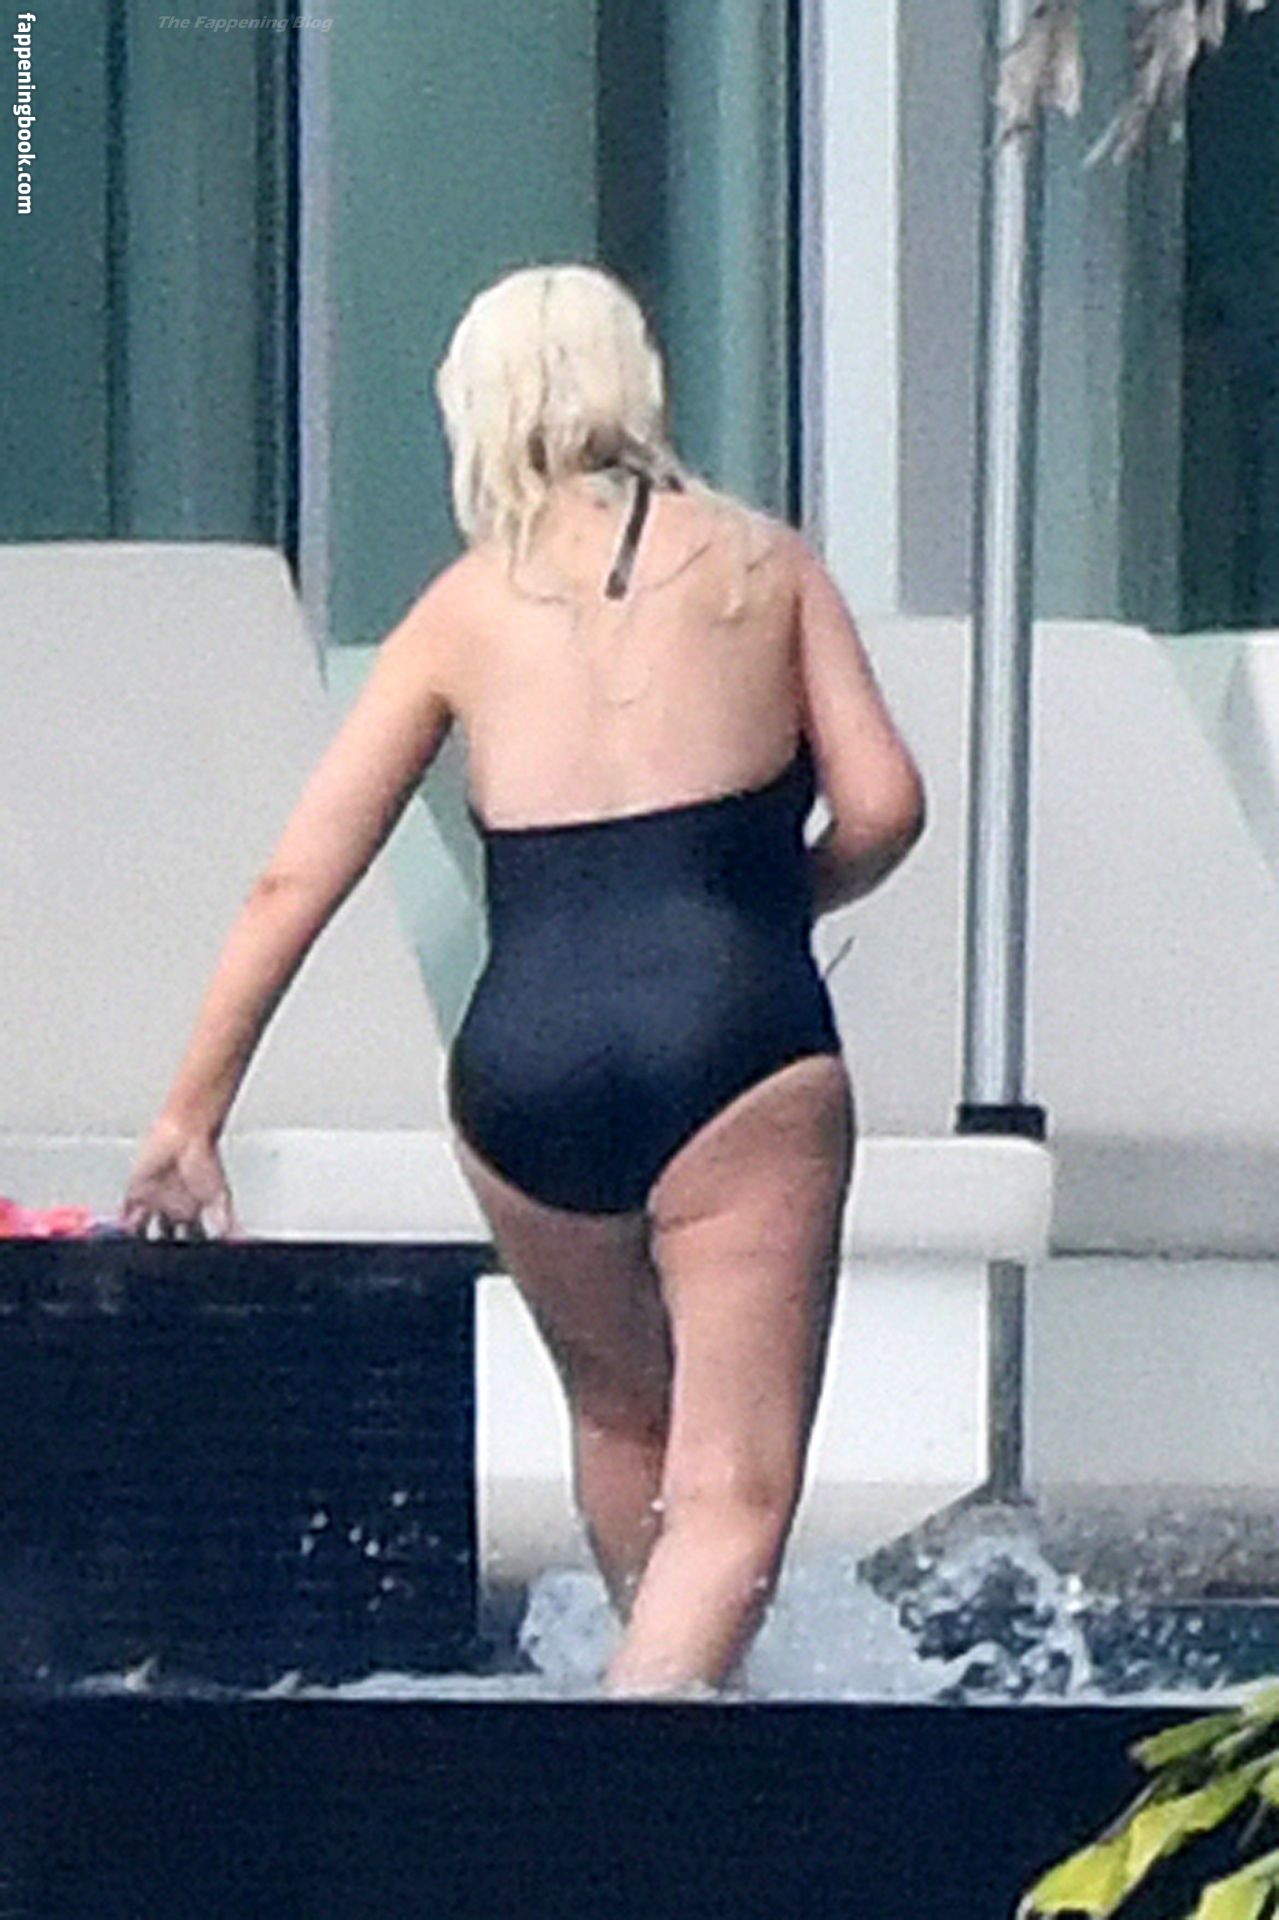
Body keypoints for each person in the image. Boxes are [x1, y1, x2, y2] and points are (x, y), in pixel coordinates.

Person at [121, 262, 926, 1698]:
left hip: (525, 1062)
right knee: (733, 1489)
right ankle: (627, 1770)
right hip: (735, 1037)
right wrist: (762, 907)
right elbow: (884, 807)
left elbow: (295, 878)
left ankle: (659, 1716)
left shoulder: (458, 612)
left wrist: (192, 1113)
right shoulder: (766, 568)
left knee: (623, 1430)